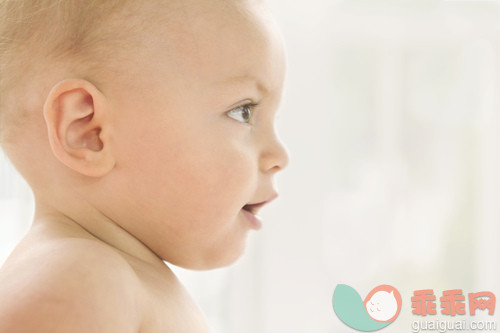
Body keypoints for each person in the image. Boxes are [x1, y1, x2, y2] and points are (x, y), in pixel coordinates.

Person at [0, 0, 289, 331]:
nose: (279, 155)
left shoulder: (119, 278)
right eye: (243, 111)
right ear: (89, 131)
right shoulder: (78, 280)